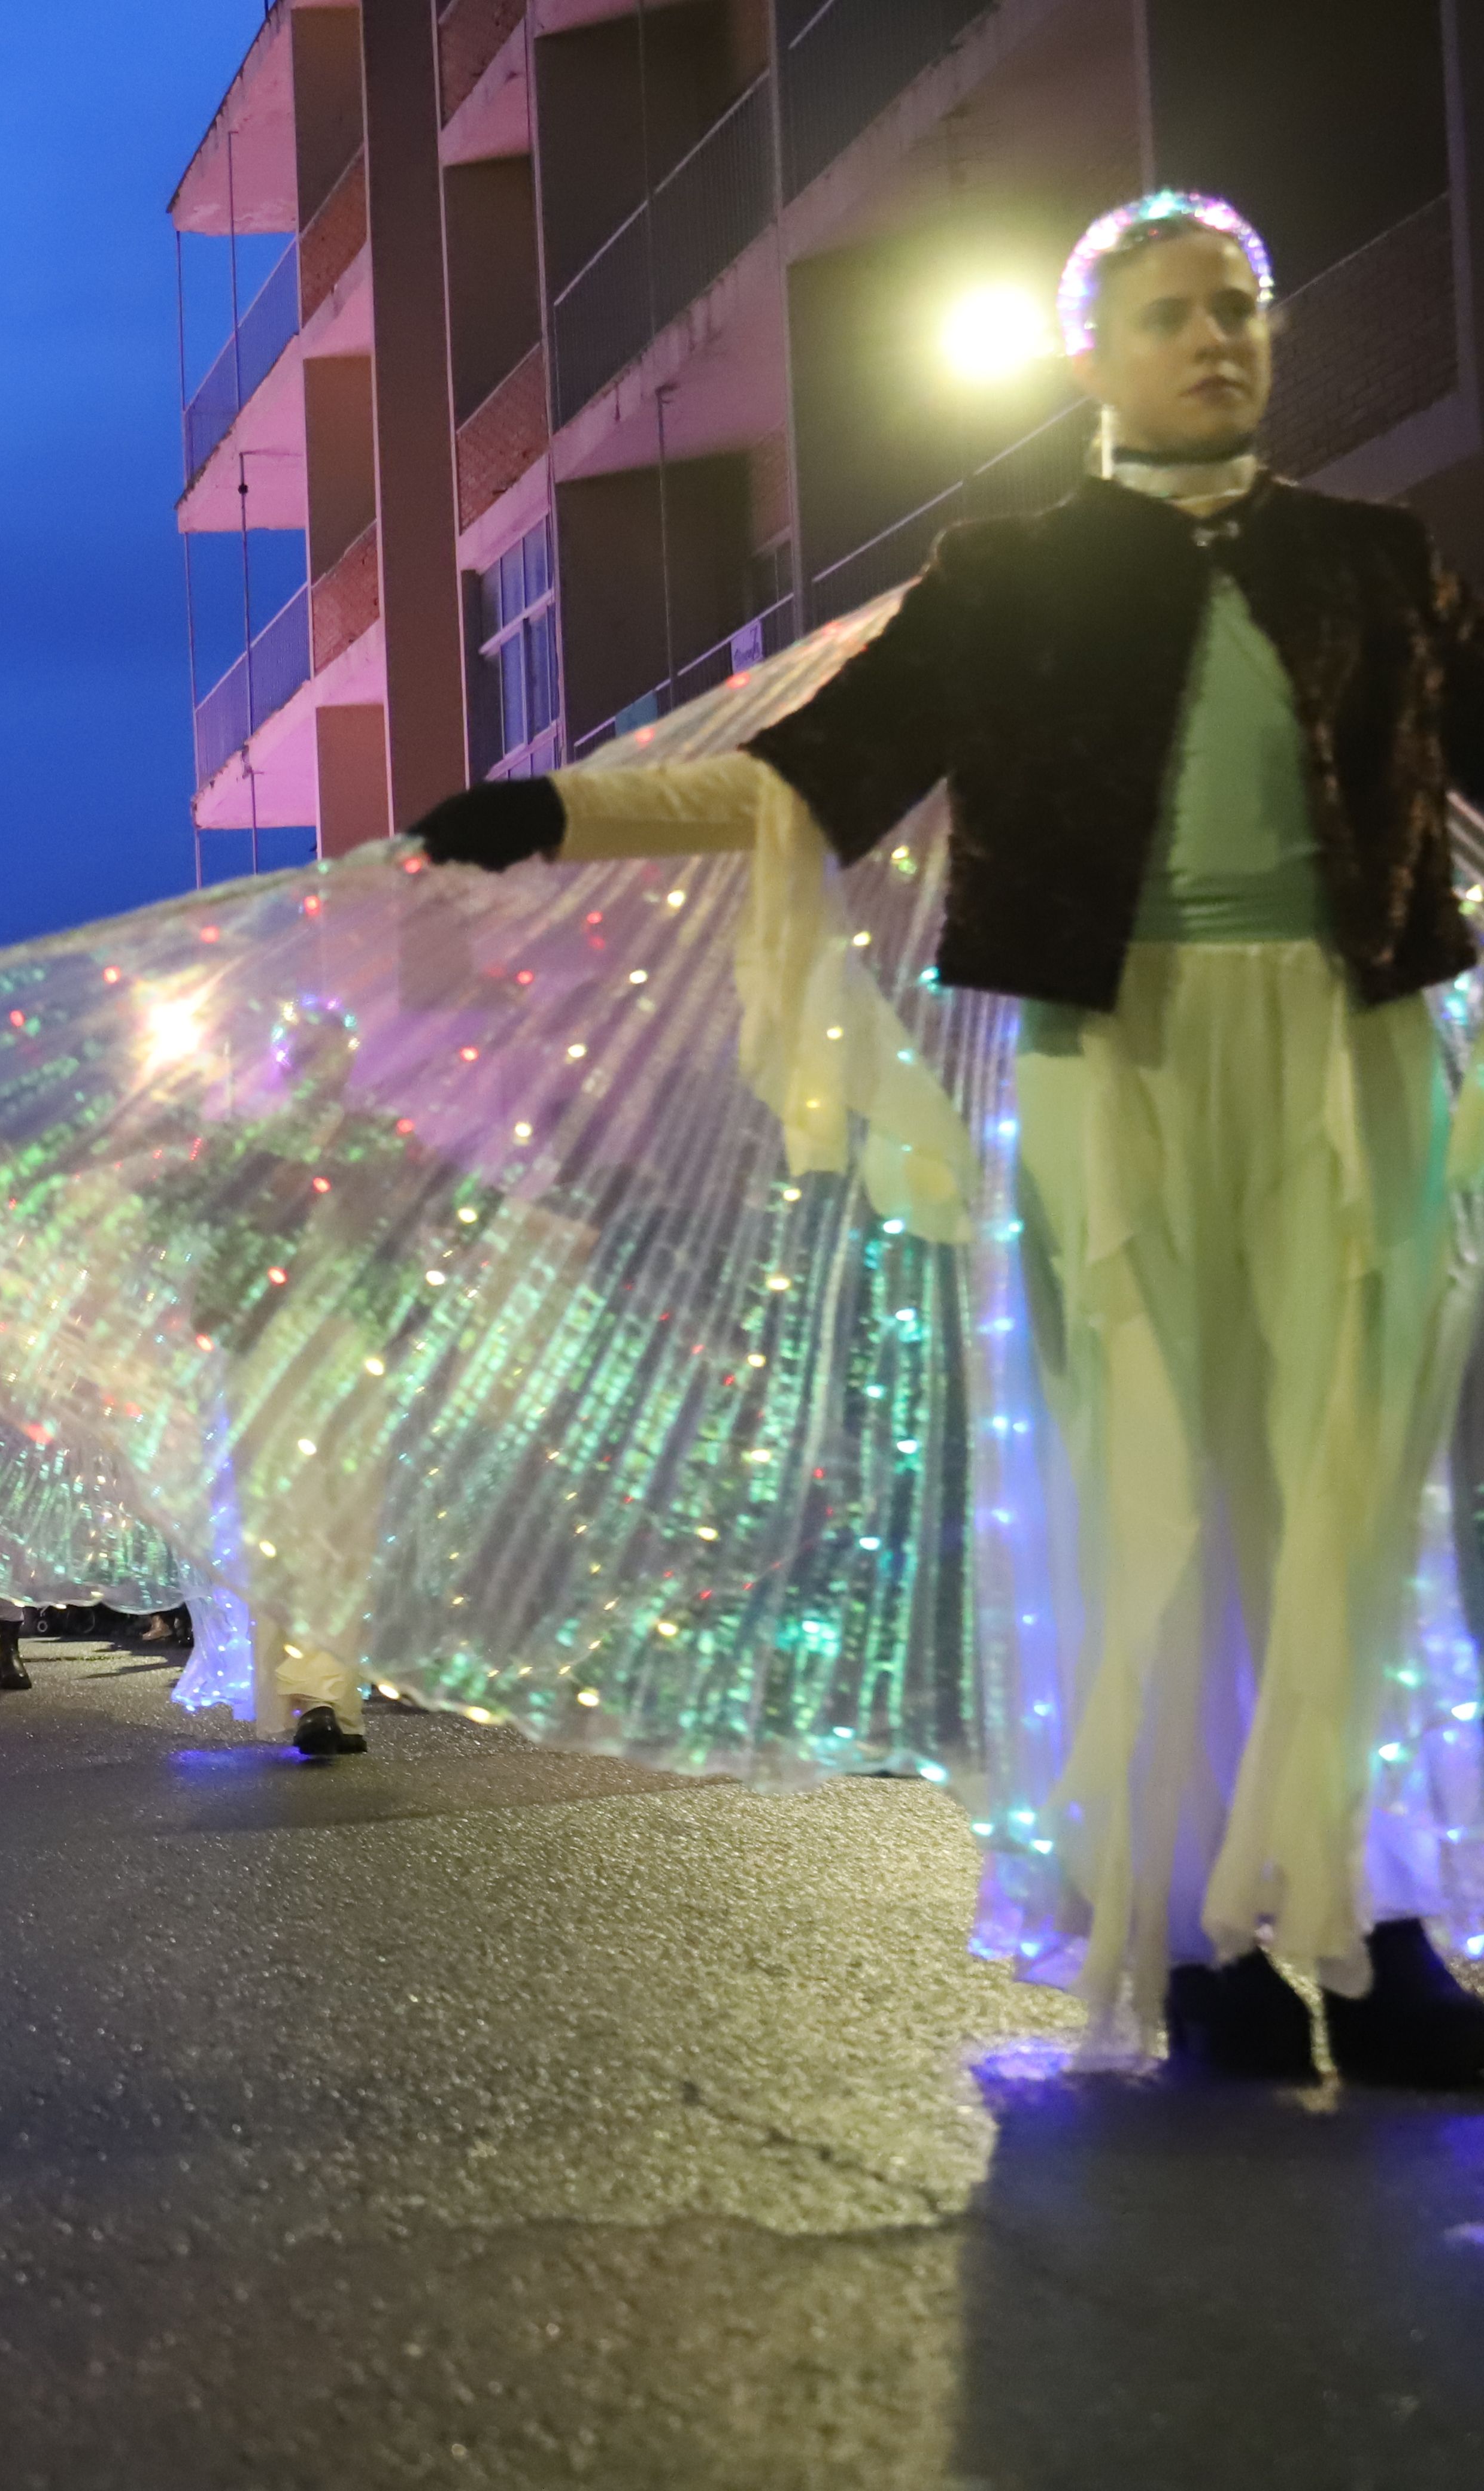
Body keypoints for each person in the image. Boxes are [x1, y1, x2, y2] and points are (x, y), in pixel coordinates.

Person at [408, 192, 1484, 2086]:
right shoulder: (1016, 575)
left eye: (1238, 307)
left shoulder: (1378, 561)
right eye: (1170, 314)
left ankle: (1382, 1925)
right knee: (1149, 1488)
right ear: (1096, 351)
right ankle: (1202, 1935)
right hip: (1116, 1058)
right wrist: (556, 812)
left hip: (1353, 1054)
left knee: (1355, 1496)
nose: (1216, 339)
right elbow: (803, 779)